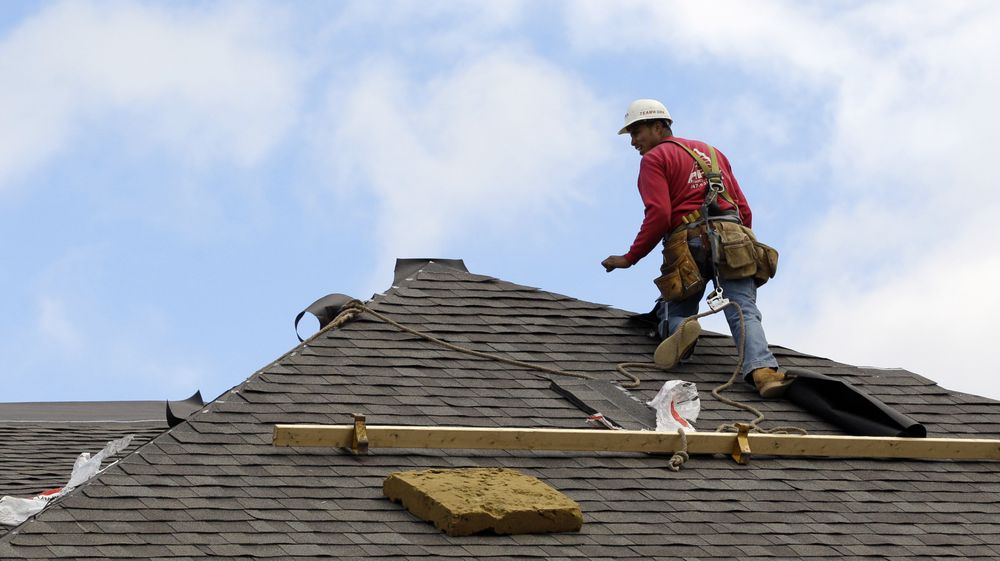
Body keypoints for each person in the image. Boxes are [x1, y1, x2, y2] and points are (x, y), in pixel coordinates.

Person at [601, 99, 789, 398]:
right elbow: (742, 207)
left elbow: (659, 214)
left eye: (638, 132)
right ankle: (763, 372)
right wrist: (745, 244)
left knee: (677, 307)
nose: (634, 141)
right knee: (742, 308)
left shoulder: (653, 160)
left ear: (659, 126)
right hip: (733, 236)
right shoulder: (713, 153)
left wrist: (630, 257)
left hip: (687, 241)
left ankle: (680, 331)